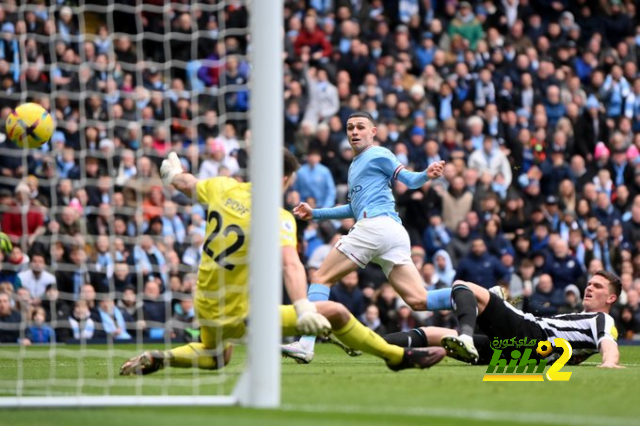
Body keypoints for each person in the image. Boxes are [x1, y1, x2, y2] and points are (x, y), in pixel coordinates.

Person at [120, 150, 445, 375]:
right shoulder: (277, 218)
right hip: (243, 310)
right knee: (335, 312)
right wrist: (303, 307)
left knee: (216, 356)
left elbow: (185, 183)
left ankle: (160, 357)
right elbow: (290, 265)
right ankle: (397, 357)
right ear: (287, 179)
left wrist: (171, 173)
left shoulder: (221, 187)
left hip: (205, 300)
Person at [282, 111, 451, 364]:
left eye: (360, 127)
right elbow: (352, 208)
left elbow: (410, 181)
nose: (354, 132)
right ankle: (476, 297)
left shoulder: (378, 153)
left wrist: (426, 174)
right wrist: (315, 214)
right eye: (350, 127)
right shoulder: (356, 165)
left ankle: (306, 344)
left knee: (320, 277)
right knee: (419, 299)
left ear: (373, 132)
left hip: (376, 226)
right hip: (392, 232)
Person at [384, 270, 623, 368]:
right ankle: (372, 342)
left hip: (530, 334)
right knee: (437, 335)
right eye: (589, 283)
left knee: (464, 286)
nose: (589, 288)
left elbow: (608, 343)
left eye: (598, 286)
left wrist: (609, 363)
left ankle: (466, 334)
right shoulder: (582, 320)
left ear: (611, 297)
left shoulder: (601, 320)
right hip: (521, 356)